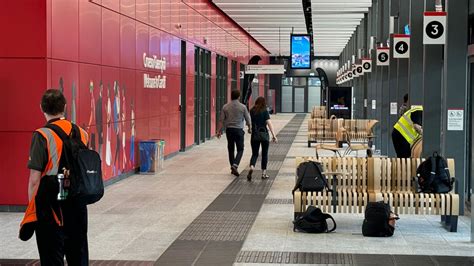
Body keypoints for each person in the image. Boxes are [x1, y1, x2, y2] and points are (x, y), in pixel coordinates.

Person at [20, 89, 90, 265]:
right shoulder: (82, 133)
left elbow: (35, 179)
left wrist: (32, 208)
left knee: (51, 255)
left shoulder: (41, 135)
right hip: (77, 201)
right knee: (78, 253)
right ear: (65, 107)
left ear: (41, 108)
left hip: (50, 205)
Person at [216, 90, 251, 177]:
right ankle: (235, 165)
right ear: (239, 96)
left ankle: (232, 167)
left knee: (231, 149)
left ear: (231, 96)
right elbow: (248, 119)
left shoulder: (225, 107)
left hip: (229, 130)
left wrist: (218, 131)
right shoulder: (243, 107)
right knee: (240, 149)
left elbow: (221, 120)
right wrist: (250, 128)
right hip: (239, 130)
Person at [247, 97, 277, 181]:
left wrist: (249, 128)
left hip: (254, 135)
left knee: (255, 154)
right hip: (264, 136)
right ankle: (264, 173)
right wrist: (274, 135)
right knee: (264, 154)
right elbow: (269, 123)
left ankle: (252, 167)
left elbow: (249, 122)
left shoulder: (252, 110)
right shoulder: (264, 111)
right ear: (264, 103)